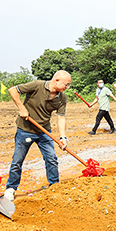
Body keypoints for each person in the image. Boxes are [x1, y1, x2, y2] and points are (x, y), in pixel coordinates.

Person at [4, 70, 71, 201]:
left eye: (68, 85)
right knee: (18, 161)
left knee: (51, 158)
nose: (67, 87)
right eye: (66, 84)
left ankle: (54, 185)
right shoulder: (37, 85)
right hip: (25, 129)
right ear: (56, 80)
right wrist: (21, 108)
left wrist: (63, 137)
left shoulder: (62, 98)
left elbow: (61, 118)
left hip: (44, 132)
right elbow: (13, 90)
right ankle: (10, 188)